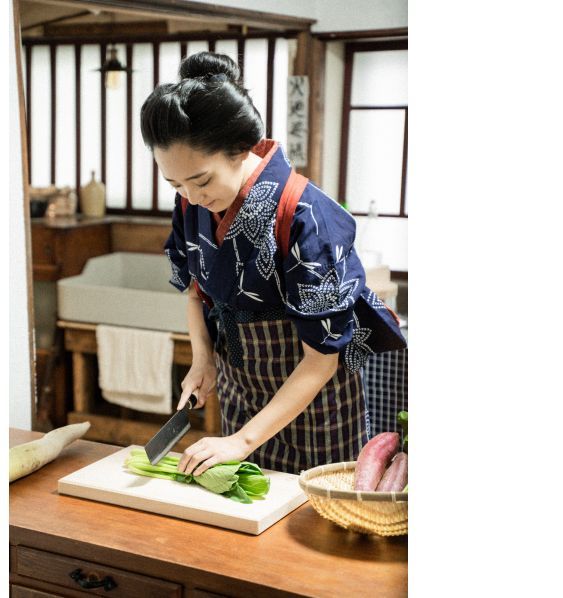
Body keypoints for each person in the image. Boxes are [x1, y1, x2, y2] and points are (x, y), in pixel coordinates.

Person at [140, 52, 406, 476]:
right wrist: (203, 359)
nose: (190, 196)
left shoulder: (307, 215)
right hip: (240, 392)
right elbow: (196, 291)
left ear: (240, 149)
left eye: (201, 180)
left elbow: (321, 359)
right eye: (175, 183)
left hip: (317, 406)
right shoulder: (191, 204)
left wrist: (242, 440)